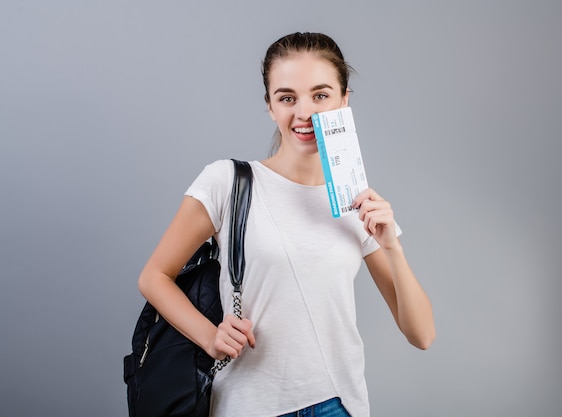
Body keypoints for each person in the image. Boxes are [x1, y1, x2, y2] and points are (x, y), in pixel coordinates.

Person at [137, 31, 436, 417]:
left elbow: (422, 334)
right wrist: (210, 337)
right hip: (247, 405)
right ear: (270, 105)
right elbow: (154, 276)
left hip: (338, 405)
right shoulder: (228, 182)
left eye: (321, 95)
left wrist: (392, 246)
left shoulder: (357, 201)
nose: (304, 113)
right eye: (287, 98)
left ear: (345, 101)